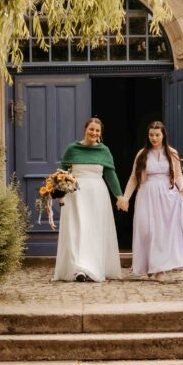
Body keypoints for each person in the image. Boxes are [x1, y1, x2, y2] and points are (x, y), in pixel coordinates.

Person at [121, 120, 183, 280]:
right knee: (147, 230)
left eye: (157, 135)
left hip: (167, 195)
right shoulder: (142, 154)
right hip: (146, 194)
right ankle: (150, 265)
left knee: (163, 232)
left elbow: (177, 174)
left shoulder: (172, 153)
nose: (154, 138)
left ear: (163, 135)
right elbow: (133, 178)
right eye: (151, 135)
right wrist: (126, 197)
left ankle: (160, 269)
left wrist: (182, 186)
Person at [53, 117, 127, 282]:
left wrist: (119, 195)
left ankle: (93, 265)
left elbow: (110, 174)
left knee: (94, 231)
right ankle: (78, 268)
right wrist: (58, 192)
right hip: (75, 195)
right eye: (91, 129)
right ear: (85, 129)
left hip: (97, 195)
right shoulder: (72, 149)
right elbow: (61, 172)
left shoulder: (104, 151)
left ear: (100, 133)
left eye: (97, 130)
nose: (94, 133)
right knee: (78, 230)